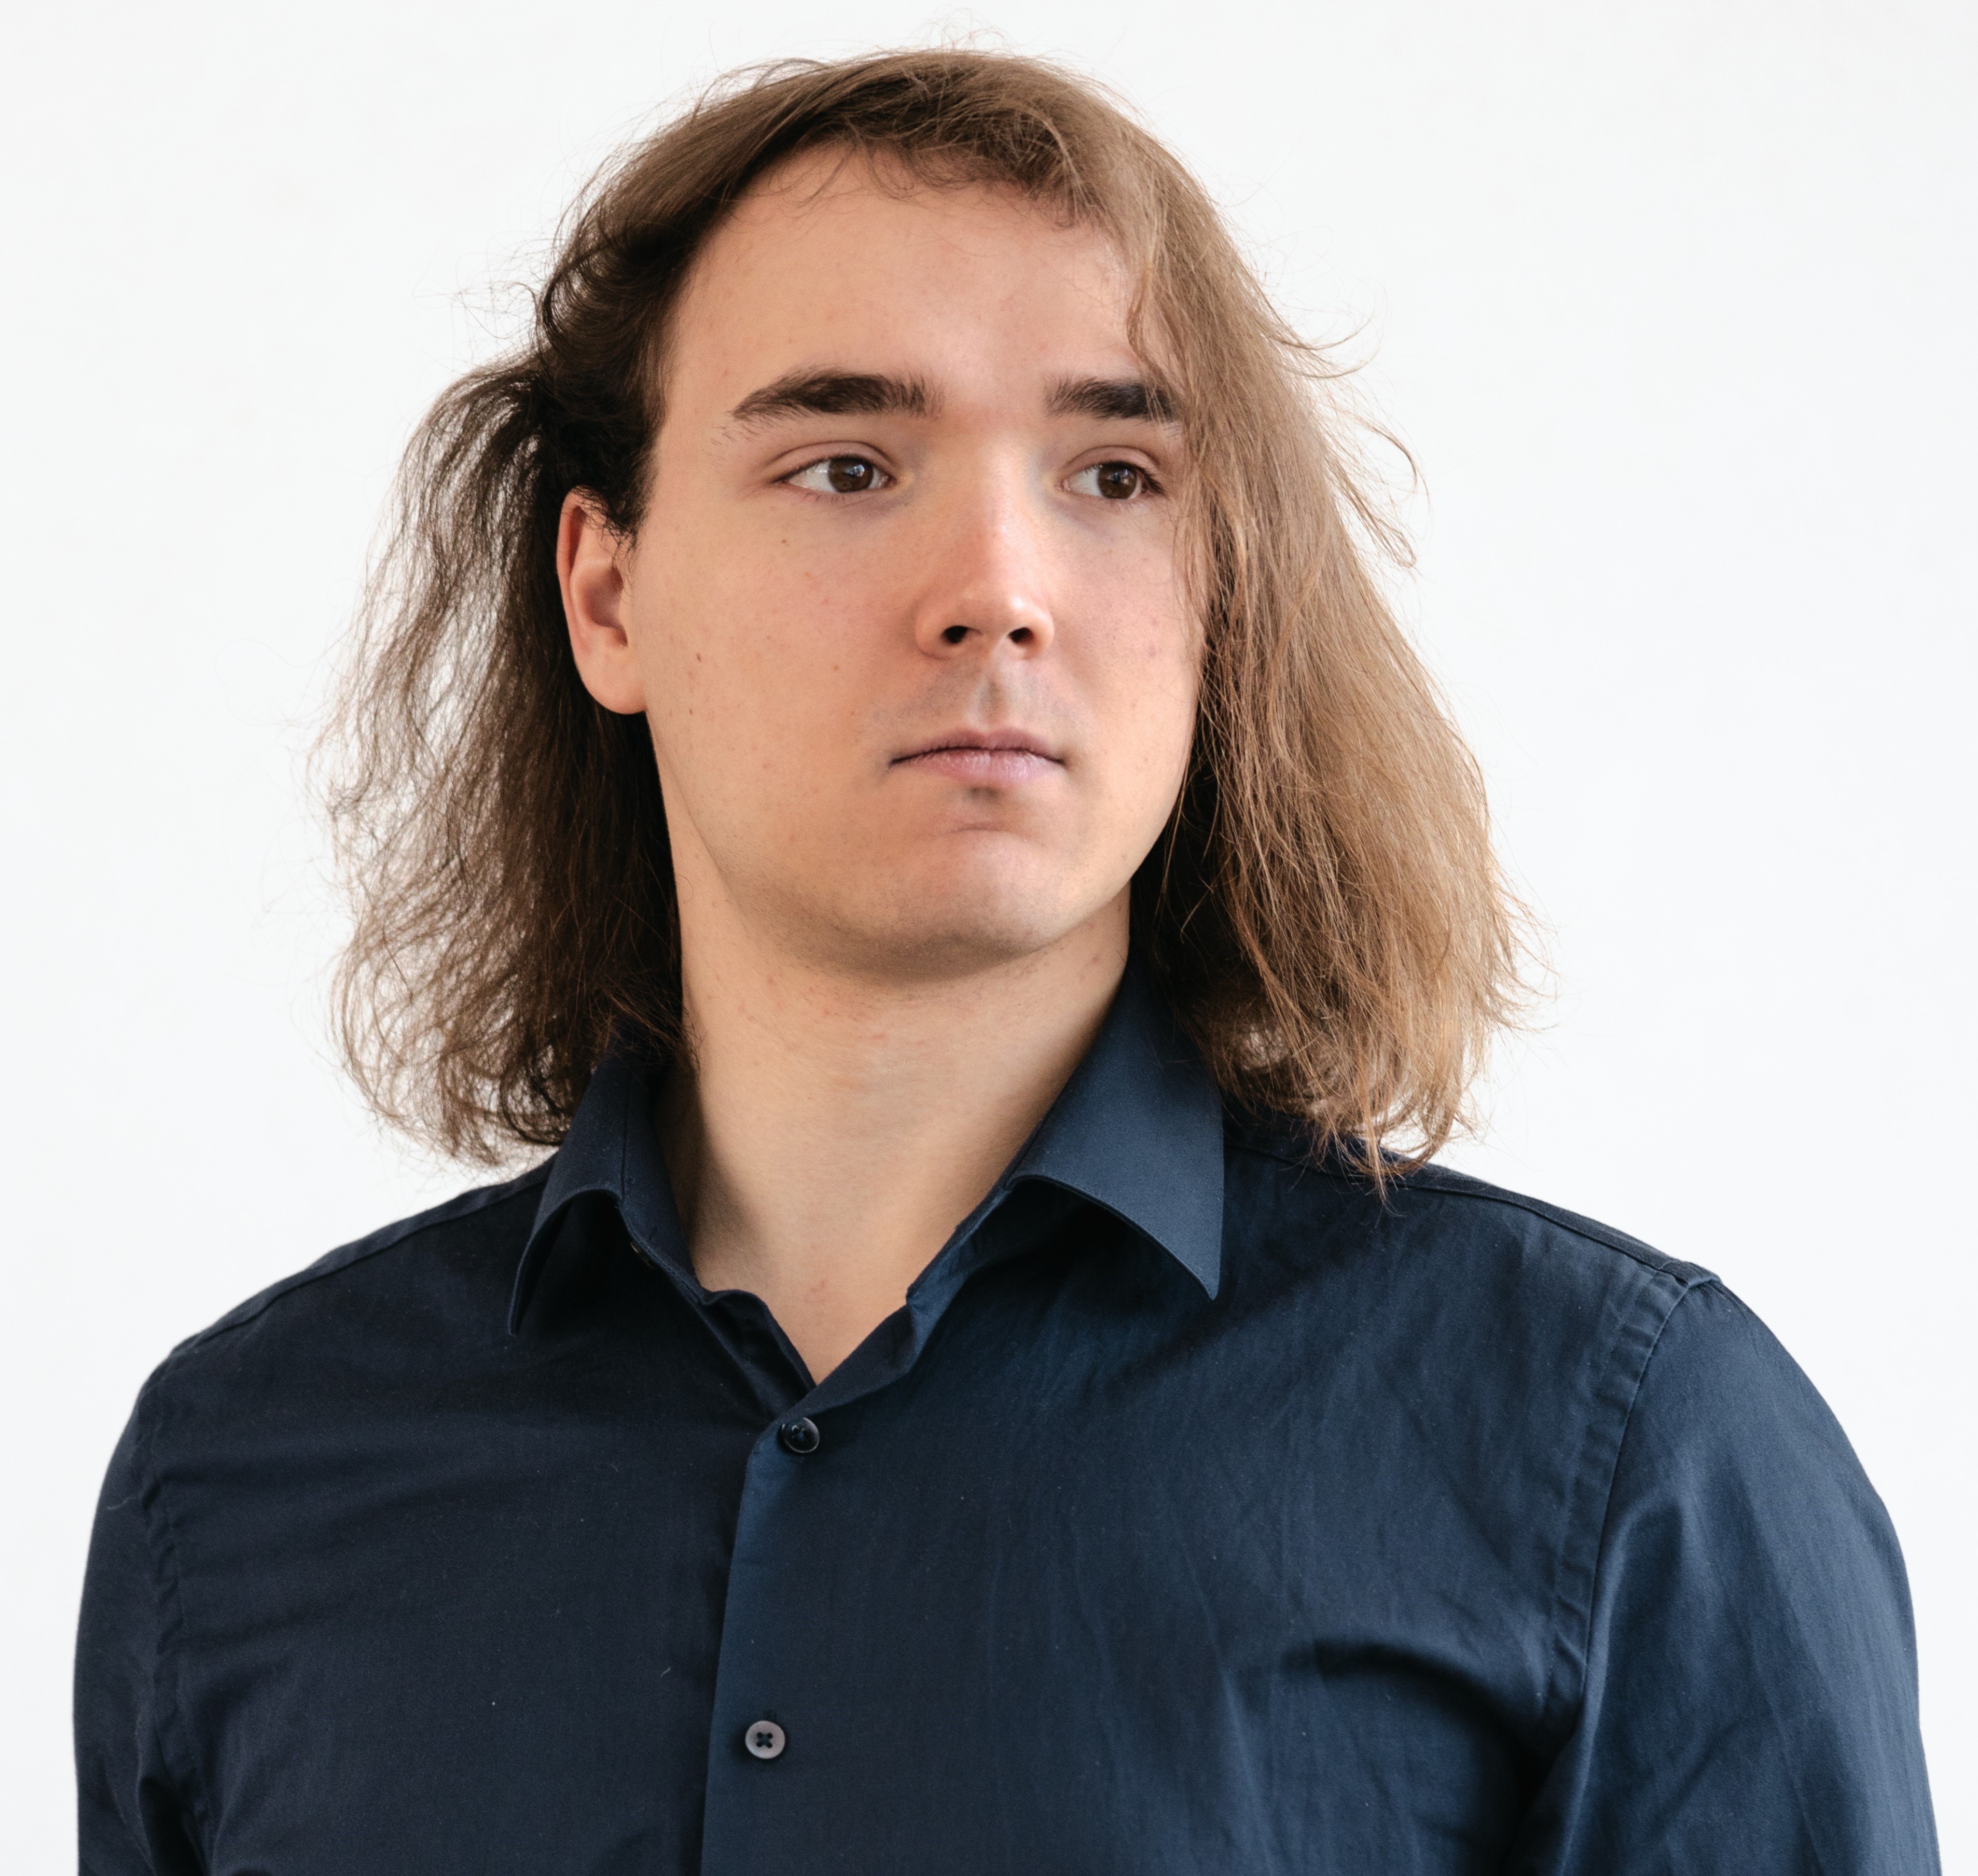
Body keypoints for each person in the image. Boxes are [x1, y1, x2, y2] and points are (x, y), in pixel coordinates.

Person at [73, 48, 1938, 1875]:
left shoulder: (1621, 1456)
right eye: (847, 464)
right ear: (607, 592)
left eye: (1116, 474)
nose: (998, 587)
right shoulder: (240, 1480)